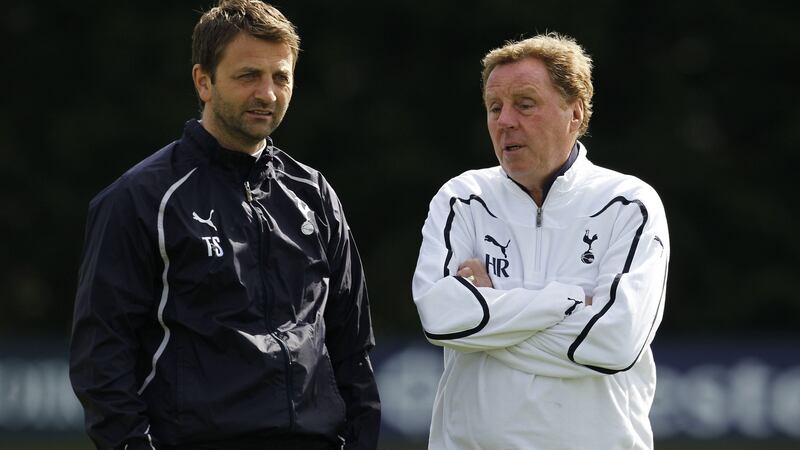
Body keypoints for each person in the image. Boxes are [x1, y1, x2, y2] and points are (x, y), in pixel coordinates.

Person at [69, 1, 380, 449]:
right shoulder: (140, 199)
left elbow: (353, 348)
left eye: (281, 77)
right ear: (203, 81)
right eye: (248, 75)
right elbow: (101, 360)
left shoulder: (315, 195)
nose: (267, 94)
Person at [412, 32, 669, 450]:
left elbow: (614, 343)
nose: (505, 121)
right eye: (495, 107)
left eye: (525, 104)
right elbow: (439, 318)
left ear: (575, 112)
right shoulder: (462, 198)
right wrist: (567, 301)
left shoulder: (628, 204)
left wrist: (487, 313)